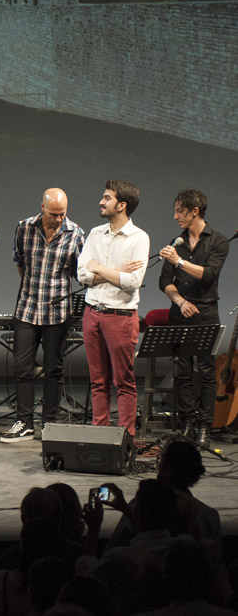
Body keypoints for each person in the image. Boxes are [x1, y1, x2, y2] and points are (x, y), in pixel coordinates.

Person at [1, 188, 85, 443]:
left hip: (58, 312)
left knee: (54, 369)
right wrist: (31, 286)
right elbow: (19, 260)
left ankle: (49, 422)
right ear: (42, 207)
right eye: (54, 214)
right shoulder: (24, 228)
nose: (58, 219)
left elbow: (79, 273)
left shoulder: (76, 234)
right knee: (22, 368)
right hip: (27, 308)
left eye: (62, 214)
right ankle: (24, 422)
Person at [77, 180, 149, 437]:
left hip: (120, 317)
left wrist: (99, 268)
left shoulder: (139, 238)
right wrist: (115, 272)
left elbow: (132, 282)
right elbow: (82, 274)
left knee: (124, 383)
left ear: (122, 205)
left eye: (106, 197)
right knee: (98, 382)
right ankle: (100, 437)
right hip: (92, 313)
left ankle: (125, 440)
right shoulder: (96, 234)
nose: (101, 201)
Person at [158, 189, 229, 447]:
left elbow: (209, 275)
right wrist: (180, 301)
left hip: (206, 312)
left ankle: (205, 427)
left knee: (207, 371)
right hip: (181, 312)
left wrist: (178, 262)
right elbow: (164, 281)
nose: (175, 216)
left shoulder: (218, 241)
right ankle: (188, 422)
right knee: (182, 370)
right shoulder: (176, 242)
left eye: (180, 211)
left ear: (195, 211)